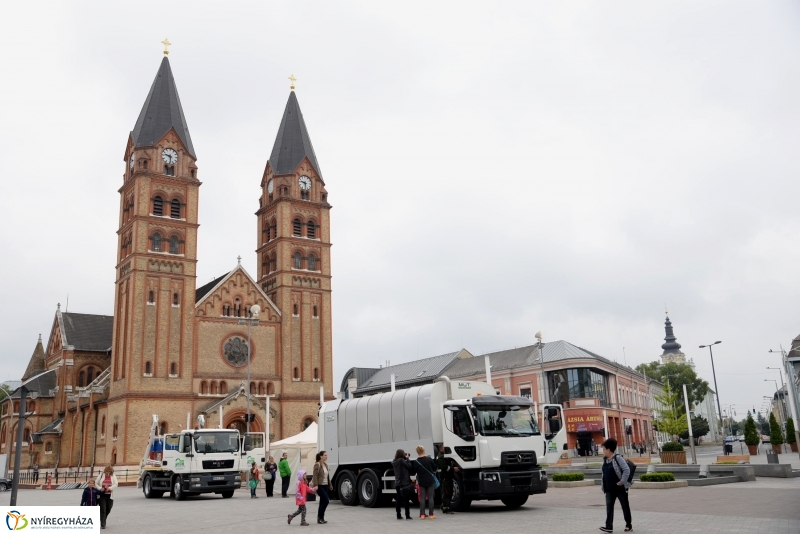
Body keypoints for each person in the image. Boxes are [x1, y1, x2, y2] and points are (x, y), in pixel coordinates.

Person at [599, 438, 633, 533]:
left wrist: (622, 481)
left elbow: (626, 470)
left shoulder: (617, 458)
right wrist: (603, 486)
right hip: (609, 488)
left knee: (624, 506)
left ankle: (628, 525)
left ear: (609, 449)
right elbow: (603, 474)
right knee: (609, 507)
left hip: (619, 488)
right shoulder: (604, 460)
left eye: (604, 449)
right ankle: (609, 526)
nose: (603, 451)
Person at [414, 445, 437, 520]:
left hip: (422, 481)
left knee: (422, 498)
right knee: (431, 497)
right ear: (424, 450)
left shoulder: (416, 461)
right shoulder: (429, 459)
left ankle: (422, 514)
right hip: (430, 480)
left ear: (417, 452)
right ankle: (431, 514)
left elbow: (415, 471)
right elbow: (434, 468)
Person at [435, 444, 459, 514]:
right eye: (443, 447)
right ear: (440, 449)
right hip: (444, 477)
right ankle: (445, 508)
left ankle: (445, 506)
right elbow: (444, 467)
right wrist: (453, 469)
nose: (445, 448)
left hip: (448, 476)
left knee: (450, 491)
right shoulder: (440, 457)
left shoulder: (444, 455)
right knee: (446, 492)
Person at [392, 449, 414, 520]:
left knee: (398, 500)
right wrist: (407, 459)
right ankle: (407, 515)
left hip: (398, 484)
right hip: (404, 483)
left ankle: (398, 515)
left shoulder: (394, 461)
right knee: (406, 500)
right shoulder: (401, 461)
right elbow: (409, 467)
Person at [95, 465, 118, 530]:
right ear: (105, 471)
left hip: (110, 495)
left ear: (111, 471)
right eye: (107, 471)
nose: (108, 472)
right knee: (103, 510)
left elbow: (116, 484)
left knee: (108, 509)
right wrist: (100, 488)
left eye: (109, 471)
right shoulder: (101, 475)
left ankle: (102, 518)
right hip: (102, 495)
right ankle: (103, 524)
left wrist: (110, 488)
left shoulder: (113, 476)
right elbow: (96, 483)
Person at [311, 451, 330, 524]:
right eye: (325, 455)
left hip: (325, 485)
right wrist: (316, 485)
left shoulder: (326, 465)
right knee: (326, 501)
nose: (326, 456)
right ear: (321, 456)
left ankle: (320, 518)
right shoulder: (317, 464)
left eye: (326, 455)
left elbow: (327, 476)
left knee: (322, 502)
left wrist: (330, 485)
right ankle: (320, 517)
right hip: (320, 485)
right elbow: (315, 475)